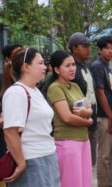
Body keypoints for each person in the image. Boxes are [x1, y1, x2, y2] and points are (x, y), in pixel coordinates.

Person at [2, 48, 59, 186]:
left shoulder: (35, 91)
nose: (45, 67)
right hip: (31, 159)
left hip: (47, 154)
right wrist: (21, 163)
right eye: (40, 63)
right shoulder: (16, 92)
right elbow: (10, 131)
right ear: (26, 67)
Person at [46, 50, 93, 187]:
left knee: (85, 182)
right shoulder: (55, 88)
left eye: (73, 64)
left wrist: (86, 112)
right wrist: (87, 121)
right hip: (68, 142)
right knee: (72, 183)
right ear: (56, 69)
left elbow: (89, 109)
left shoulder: (75, 86)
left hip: (84, 140)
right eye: (67, 66)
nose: (72, 68)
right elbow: (67, 117)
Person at [91, 35, 112, 187]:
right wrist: (110, 117)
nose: (110, 51)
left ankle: (110, 183)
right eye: (107, 48)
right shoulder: (97, 66)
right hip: (104, 116)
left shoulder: (111, 66)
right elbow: (100, 92)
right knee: (104, 156)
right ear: (100, 50)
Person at [68, 32, 98, 166]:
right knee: (79, 162)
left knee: (90, 161)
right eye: (84, 46)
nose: (88, 49)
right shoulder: (69, 67)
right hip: (78, 119)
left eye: (89, 46)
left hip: (92, 117)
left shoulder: (87, 65)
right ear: (74, 48)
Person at [0, 44, 22, 162]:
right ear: (8, 59)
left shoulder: (27, 78)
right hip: (7, 132)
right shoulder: (1, 79)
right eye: (18, 54)